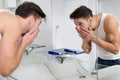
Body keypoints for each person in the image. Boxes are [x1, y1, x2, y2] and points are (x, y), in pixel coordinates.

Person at [0, 2, 46, 77]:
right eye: (39, 24)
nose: (38, 29)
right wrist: (24, 44)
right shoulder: (14, 25)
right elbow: (5, 71)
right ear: (31, 20)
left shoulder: (7, 15)